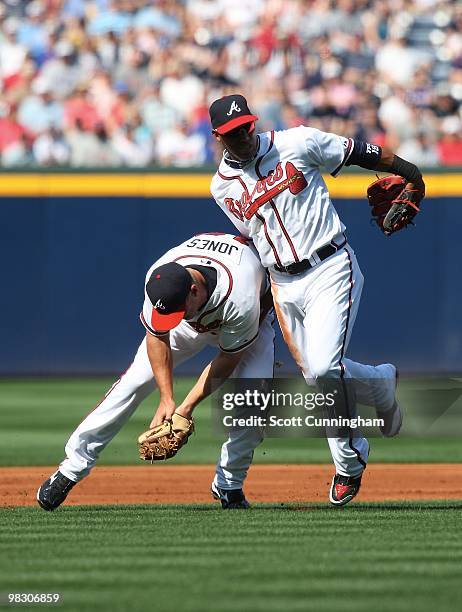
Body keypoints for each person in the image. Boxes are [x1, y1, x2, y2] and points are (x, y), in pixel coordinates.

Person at [209, 94, 426, 506]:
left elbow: (359, 151)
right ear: (218, 137)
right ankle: (379, 383)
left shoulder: (297, 142)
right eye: (231, 134)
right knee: (320, 378)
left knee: (325, 369)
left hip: (330, 264)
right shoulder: (221, 186)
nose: (241, 137)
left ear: (253, 123)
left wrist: (411, 173)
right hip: (282, 282)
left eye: (245, 127)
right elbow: (255, 235)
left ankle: (350, 462)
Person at [37, 232, 275, 511]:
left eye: (178, 311)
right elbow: (157, 335)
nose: (172, 317)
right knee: (133, 383)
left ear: (194, 291)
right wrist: (166, 397)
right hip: (196, 322)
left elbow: (227, 359)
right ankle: (72, 468)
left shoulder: (239, 294)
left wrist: (185, 408)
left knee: (254, 403)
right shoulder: (160, 279)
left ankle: (229, 482)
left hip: (246, 324)